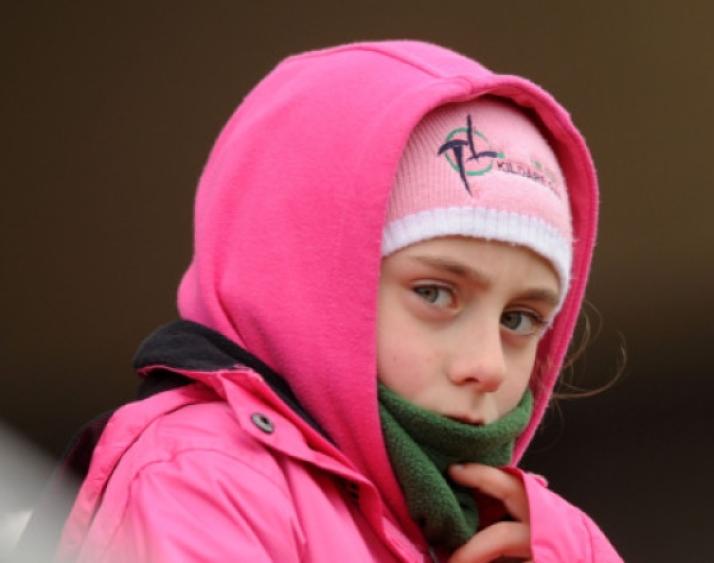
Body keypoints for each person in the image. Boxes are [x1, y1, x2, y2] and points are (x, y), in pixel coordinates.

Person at [54, 40, 623, 562]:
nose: (488, 367)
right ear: (301, 281)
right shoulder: (201, 479)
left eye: (520, 319)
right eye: (434, 293)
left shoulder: (520, 535)